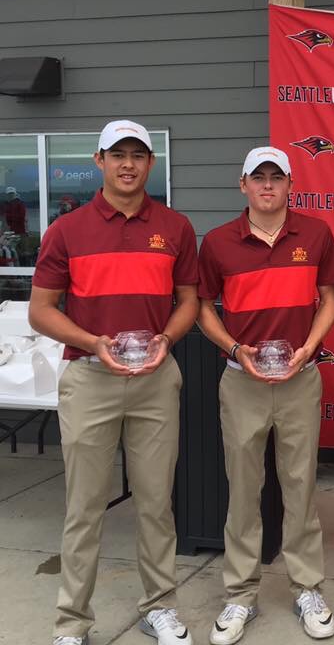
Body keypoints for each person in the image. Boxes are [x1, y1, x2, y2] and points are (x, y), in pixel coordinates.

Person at [28, 120, 199, 645]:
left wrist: (167, 338)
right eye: (117, 154)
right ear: (99, 161)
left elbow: (189, 300)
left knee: (155, 503)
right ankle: (72, 623)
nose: (128, 164)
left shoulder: (175, 227)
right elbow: (40, 310)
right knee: (84, 507)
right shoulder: (67, 230)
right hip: (90, 377)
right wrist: (92, 340)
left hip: (155, 378)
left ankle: (160, 607)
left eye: (138, 155)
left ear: (151, 163)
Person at [196, 146, 334, 644]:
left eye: (276, 177)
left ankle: (307, 588)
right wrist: (235, 347)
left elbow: (330, 300)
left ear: (290, 185)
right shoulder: (218, 242)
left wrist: (309, 347)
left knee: (300, 488)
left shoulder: (316, 234)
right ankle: (240, 595)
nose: (267, 185)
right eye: (257, 177)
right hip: (243, 381)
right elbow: (203, 307)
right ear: (243, 185)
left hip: (300, 378)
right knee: (243, 490)